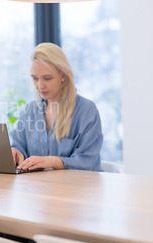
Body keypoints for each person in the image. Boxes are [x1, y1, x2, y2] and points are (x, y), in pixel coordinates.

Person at [11, 42, 103, 172]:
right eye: (35, 78)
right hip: (38, 188)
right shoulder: (30, 110)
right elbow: (19, 146)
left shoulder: (86, 110)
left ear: (63, 76)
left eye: (47, 78)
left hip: (80, 188)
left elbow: (86, 161)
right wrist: (15, 153)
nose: (40, 86)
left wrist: (52, 161)